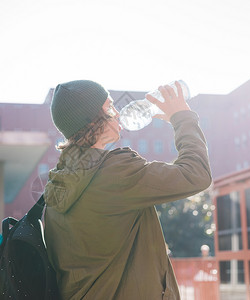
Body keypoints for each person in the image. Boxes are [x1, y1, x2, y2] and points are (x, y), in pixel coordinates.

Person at [44, 79, 212, 299]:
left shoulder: (58, 183)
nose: (116, 113)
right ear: (94, 119)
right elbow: (196, 173)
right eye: (109, 106)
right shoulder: (114, 172)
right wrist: (181, 117)